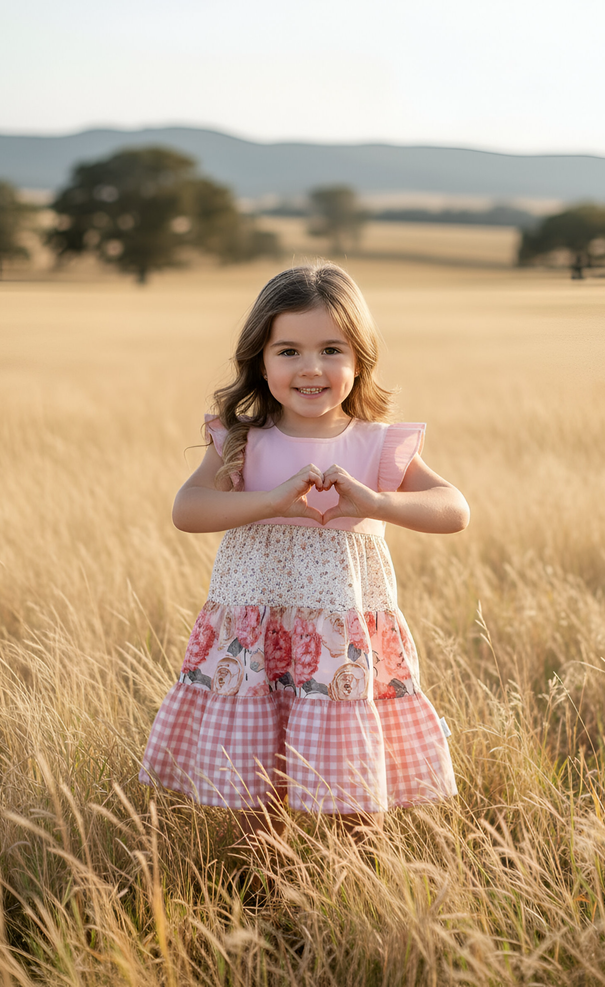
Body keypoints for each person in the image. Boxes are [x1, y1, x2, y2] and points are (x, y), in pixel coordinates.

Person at [139, 262, 470, 845]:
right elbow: (187, 509)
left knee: (351, 787)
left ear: (359, 359)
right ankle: (266, 894)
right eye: (288, 350)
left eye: (331, 350)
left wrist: (377, 502)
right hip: (255, 632)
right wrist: (270, 503)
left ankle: (347, 893)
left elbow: (454, 509)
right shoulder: (242, 440)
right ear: (260, 361)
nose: (311, 368)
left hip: (341, 639)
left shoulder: (377, 444)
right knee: (253, 785)